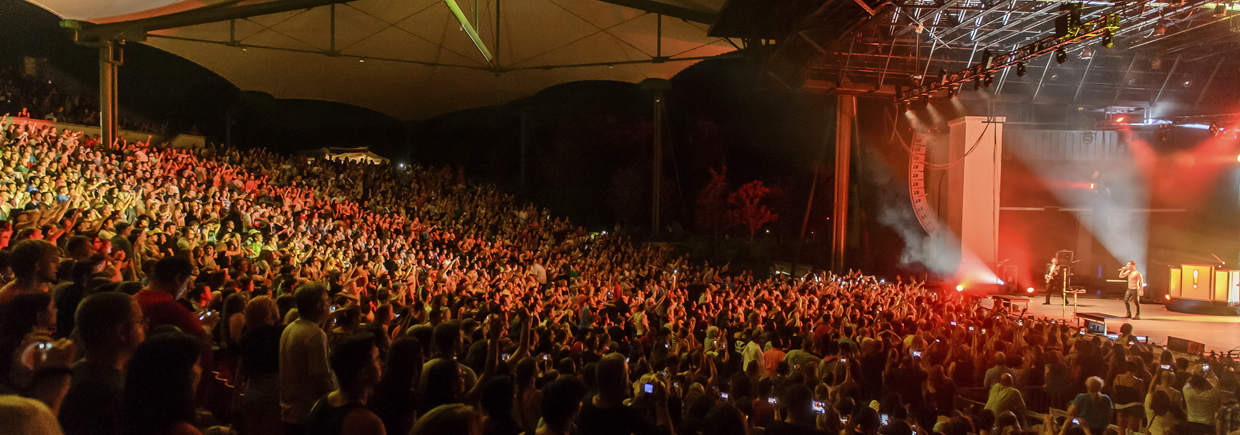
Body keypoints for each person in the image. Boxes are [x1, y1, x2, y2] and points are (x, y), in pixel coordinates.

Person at [59, 293, 146, 435]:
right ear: (122, 332)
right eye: (140, 321)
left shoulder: (75, 372)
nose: (145, 328)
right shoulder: (106, 394)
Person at [134, 256, 218, 373]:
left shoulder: (135, 298)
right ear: (178, 278)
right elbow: (199, 340)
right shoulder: (169, 307)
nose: (187, 288)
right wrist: (207, 326)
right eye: (187, 282)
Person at [122, 332, 205, 435]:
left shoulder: (128, 419)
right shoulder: (182, 431)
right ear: (179, 375)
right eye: (197, 364)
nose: (200, 371)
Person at [280, 283, 337, 435]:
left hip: (289, 412)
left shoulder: (289, 328)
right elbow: (321, 378)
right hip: (308, 414)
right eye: (327, 301)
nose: (329, 305)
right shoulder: (315, 334)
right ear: (319, 306)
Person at [305, 333, 385, 435]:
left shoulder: (319, 404)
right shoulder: (370, 424)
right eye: (377, 358)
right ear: (364, 373)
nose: (381, 363)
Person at [577, 353, 673, 435]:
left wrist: (632, 406)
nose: (630, 383)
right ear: (620, 382)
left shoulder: (584, 403)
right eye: (627, 375)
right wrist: (661, 403)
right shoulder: (626, 416)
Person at [238, 296, 284, 435]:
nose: (277, 307)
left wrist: (235, 401)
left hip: (252, 388)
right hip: (275, 389)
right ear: (269, 312)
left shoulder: (247, 335)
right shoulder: (279, 334)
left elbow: (241, 369)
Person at [0, 239, 61, 305]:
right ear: (38, 265)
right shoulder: (11, 299)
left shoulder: (44, 288)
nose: (58, 265)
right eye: (54, 261)